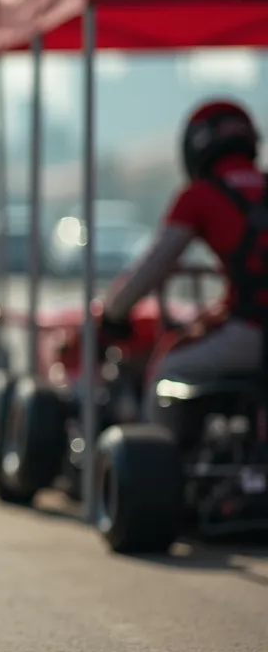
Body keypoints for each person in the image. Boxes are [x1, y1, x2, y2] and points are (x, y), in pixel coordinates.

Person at [99, 98, 265, 419]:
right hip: (250, 330)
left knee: (165, 372)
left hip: (251, 330)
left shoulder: (199, 196)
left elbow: (152, 267)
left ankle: (161, 447)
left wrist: (113, 313)